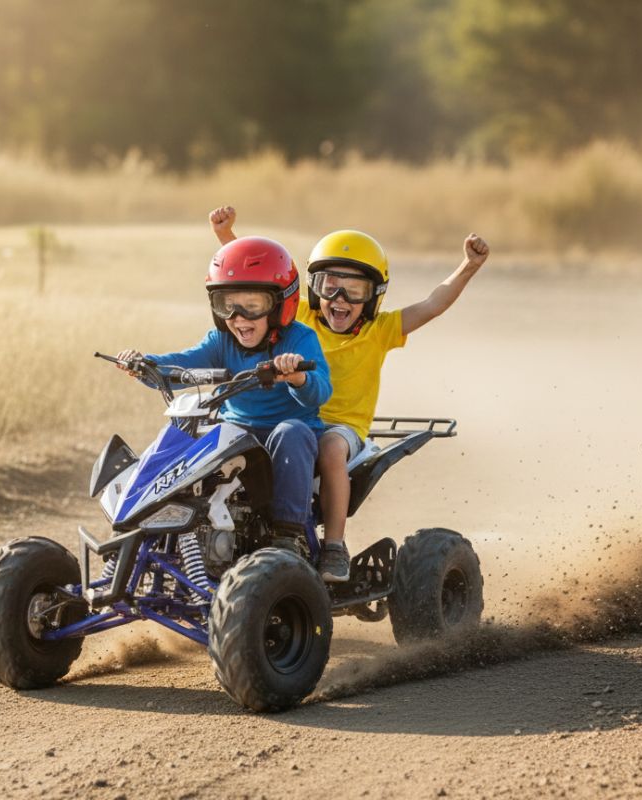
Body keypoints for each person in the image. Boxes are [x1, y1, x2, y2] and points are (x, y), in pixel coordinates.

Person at [210, 206, 489, 582]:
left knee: (329, 447)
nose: (340, 298)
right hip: (288, 418)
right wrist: (227, 235)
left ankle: (334, 546)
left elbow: (432, 304)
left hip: (341, 428)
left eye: (355, 290)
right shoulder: (302, 318)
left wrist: (468, 266)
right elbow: (260, 278)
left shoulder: (382, 329)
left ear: (374, 295)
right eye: (329, 285)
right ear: (312, 288)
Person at [117, 235, 332, 548]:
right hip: (237, 432)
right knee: (191, 431)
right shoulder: (221, 342)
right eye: (227, 305)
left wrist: (299, 377)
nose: (239, 318)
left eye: (253, 305)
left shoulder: (300, 338)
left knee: (292, 431)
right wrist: (145, 366)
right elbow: (181, 366)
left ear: (280, 304)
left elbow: (321, 391)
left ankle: (289, 535)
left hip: (288, 438)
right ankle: (167, 527)